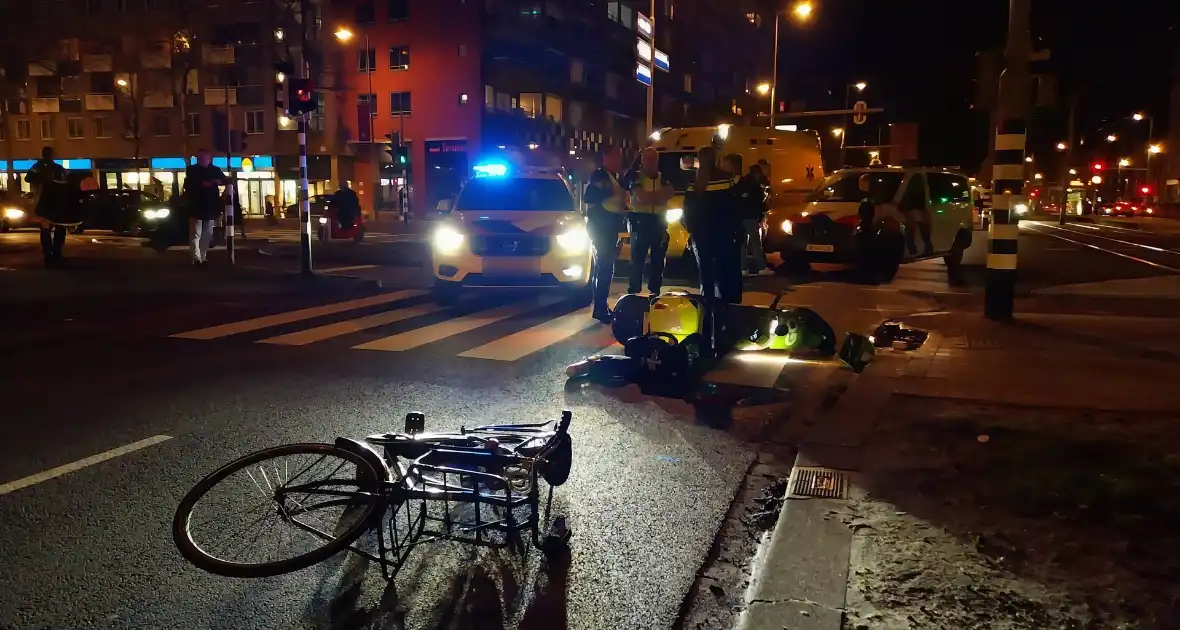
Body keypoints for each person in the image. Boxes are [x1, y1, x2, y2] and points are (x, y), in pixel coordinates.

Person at [684, 147, 742, 355]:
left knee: (706, 280)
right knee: (725, 277)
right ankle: (725, 325)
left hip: (702, 237)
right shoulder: (727, 180)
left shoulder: (694, 184)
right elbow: (734, 208)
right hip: (723, 235)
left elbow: (687, 214)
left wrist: (692, 233)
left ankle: (707, 326)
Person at [582, 146, 628, 322]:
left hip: (608, 228)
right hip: (601, 228)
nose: (619, 161)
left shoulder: (613, 177)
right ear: (606, 158)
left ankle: (601, 305)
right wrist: (609, 191)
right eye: (616, 157)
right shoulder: (600, 176)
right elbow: (590, 197)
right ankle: (600, 307)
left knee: (606, 267)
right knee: (604, 267)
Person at [625, 147, 674, 295]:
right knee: (637, 262)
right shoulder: (635, 177)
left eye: (653, 160)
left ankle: (655, 291)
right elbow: (641, 197)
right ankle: (634, 293)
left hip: (658, 224)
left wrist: (650, 196)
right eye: (647, 160)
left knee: (658, 262)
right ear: (642, 161)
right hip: (640, 224)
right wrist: (659, 196)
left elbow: (669, 193)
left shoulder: (663, 177)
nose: (651, 163)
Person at [25, 146, 79, 267]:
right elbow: (70, 177)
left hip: (46, 201)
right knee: (58, 227)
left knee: (46, 228)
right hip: (56, 202)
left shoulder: (39, 167)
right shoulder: (56, 168)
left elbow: (28, 178)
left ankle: (50, 254)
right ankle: (55, 254)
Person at [182, 149, 227, 265]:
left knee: (207, 234)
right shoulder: (193, 170)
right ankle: (196, 258)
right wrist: (212, 182)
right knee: (196, 233)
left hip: (210, 206)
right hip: (196, 206)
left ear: (209, 158)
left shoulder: (215, 170)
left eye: (204, 157)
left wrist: (216, 182)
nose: (201, 159)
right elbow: (195, 183)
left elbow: (224, 180)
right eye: (200, 157)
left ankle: (202, 256)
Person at [733, 161, 771, 276]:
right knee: (755, 242)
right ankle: (761, 267)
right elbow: (757, 202)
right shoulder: (753, 184)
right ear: (757, 174)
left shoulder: (742, 182)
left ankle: (742, 268)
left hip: (740, 216)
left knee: (743, 243)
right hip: (749, 216)